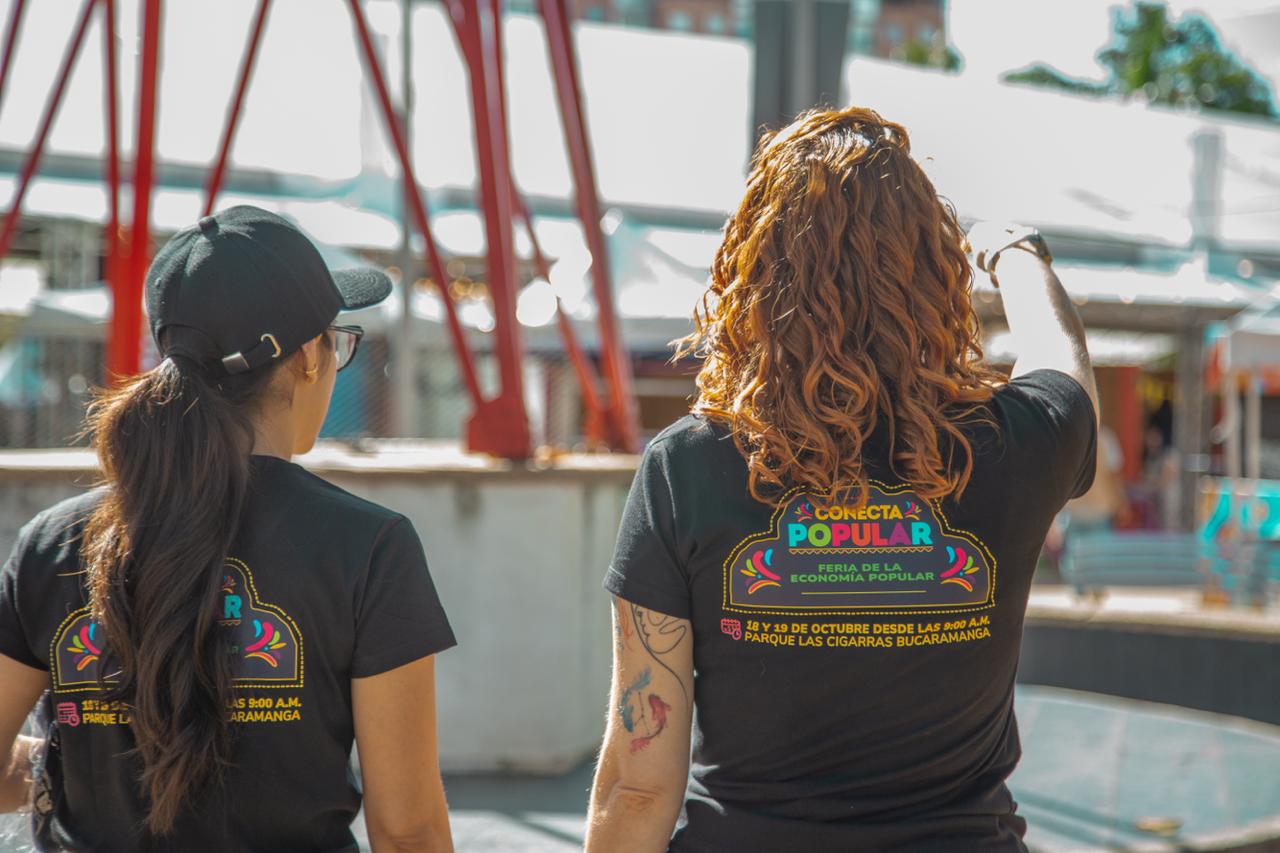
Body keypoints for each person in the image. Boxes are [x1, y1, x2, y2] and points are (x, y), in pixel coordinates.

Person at [586, 108, 1097, 852]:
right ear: (934, 276)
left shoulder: (687, 467)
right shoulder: (1013, 446)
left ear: (755, 272)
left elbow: (638, 785)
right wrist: (1016, 253)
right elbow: (1061, 358)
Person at [0, 206, 456, 852]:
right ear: (305, 358)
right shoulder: (370, 549)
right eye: (339, 343)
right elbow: (407, 828)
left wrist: (64, 762)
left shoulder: (52, 545)